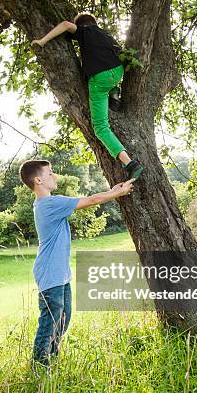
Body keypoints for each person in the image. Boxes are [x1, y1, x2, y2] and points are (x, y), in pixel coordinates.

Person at [19, 158, 135, 368]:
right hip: (50, 273)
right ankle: (39, 366)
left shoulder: (48, 203)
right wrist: (117, 193)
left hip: (60, 273)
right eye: (50, 173)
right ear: (38, 180)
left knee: (64, 318)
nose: (55, 176)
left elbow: (91, 198)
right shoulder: (49, 204)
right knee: (50, 322)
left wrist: (112, 190)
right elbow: (90, 201)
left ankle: (51, 359)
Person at [31, 13, 143, 180]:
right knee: (108, 82)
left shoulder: (85, 32)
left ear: (82, 26)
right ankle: (114, 94)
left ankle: (129, 163)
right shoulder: (104, 34)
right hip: (117, 72)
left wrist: (42, 41)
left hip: (100, 78)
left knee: (100, 127)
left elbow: (65, 24)